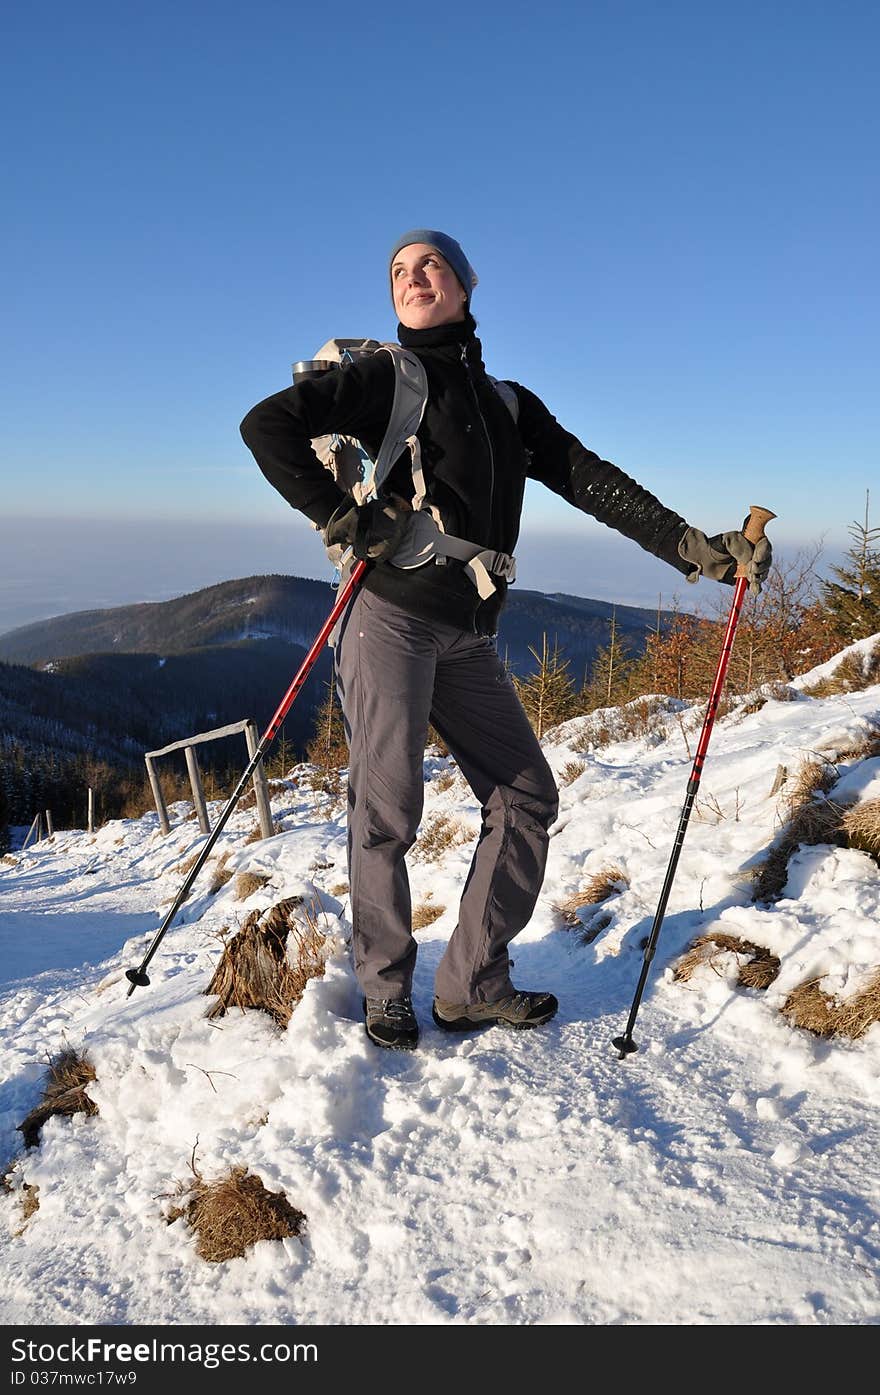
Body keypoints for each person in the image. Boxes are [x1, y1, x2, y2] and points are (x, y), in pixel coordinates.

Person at [240, 228, 771, 1052]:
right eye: (399, 271)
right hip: (388, 613)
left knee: (527, 795)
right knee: (386, 811)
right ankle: (387, 990)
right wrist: (346, 516)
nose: (414, 277)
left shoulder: (509, 403)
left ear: (464, 284)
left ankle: (470, 984)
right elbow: (266, 424)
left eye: (431, 265)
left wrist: (698, 549)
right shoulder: (385, 376)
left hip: (467, 632)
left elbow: (595, 482)